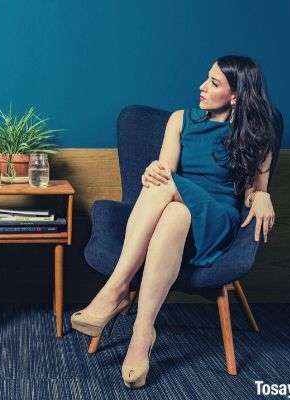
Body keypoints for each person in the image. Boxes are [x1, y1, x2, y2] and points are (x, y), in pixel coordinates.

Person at [71, 55, 279, 389]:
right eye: (206, 78)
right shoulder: (180, 120)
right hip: (180, 214)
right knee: (172, 207)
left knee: (166, 185)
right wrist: (152, 170)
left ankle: (115, 288)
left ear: (236, 95)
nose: (202, 87)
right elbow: (163, 171)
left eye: (213, 83)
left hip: (217, 218)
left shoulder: (257, 134)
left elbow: (253, 193)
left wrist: (263, 195)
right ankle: (142, 334)